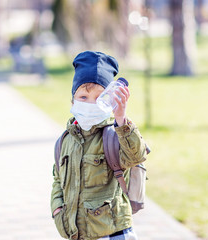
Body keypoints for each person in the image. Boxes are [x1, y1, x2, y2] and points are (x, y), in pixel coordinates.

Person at [50, 51, 148, 240]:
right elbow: (58, 179)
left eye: (99, 98)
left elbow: (137, 156)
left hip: (113, 233)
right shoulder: (65, 140)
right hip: (76, 233)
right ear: (72, 100)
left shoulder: (114, 134)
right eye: (84, 97)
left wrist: (121, 119)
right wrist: (57, 209)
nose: (90, 104)